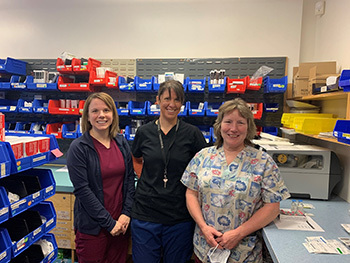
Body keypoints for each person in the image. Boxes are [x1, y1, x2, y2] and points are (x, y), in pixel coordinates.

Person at [181, 98, 290, 263]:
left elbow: (272, 207)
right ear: (219, 125)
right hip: (205, 248)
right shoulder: (203, 156)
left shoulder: (263, 161)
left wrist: (238, 233)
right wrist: (203, 227)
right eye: (228, 122)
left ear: (249, 127)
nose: (233, 128)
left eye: (240, 122)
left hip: (245, 252)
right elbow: (191, 194)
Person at [131, 79, 208, 263]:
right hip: (146, 215)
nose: (171, 104)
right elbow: (136, 157)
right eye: (167, 98)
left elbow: (205, 165)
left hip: (179, 217)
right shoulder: (145, 132)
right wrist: (145, 177)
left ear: (182, 103)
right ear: (158, 100)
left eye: (177, 100)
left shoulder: (192, 134)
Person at [67, 92, 135, 263]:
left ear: (113, 114)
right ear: (87, 117)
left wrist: (126, 213)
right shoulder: (79, 147)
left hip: (120, 226)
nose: (102, 115)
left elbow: (129, 180)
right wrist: (108, 223)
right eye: (95, 111)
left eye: (106, 110)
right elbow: (83, 190)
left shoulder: (121, 143)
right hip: (93, 229)